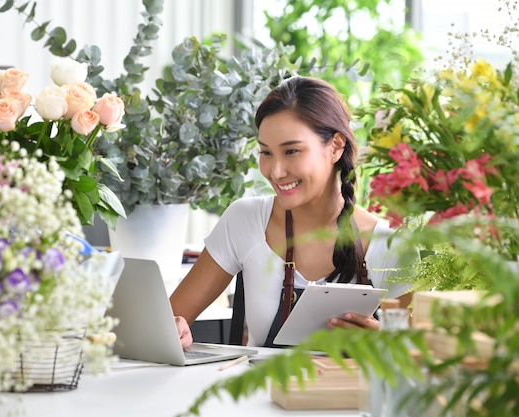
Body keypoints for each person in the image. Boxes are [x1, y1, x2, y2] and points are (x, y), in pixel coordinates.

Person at [170, 76, 413, 348]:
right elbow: (166, 324)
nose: (275, 172)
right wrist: (174, 330)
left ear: (335, 146)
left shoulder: (391, 246)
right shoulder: (245, 220)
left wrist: (383, 343)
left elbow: (423, 358)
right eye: (266, 153)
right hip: (258, 390)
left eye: (292, 151)